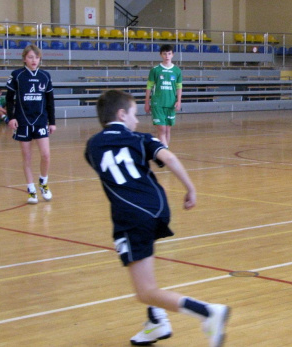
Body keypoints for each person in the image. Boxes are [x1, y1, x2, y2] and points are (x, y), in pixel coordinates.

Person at [84, 90, 230, 347]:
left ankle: (208, 312)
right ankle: (156, 322)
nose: (137, 120)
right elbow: (169, 157)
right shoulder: (141, 139)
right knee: (144, 270)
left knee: (145, 291)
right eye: (134, 114)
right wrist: (190, 188)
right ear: (121, 114)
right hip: (157, 208)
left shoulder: (92, 146)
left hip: (131, 217)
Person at [5, 44, 55, 204]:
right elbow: (9, 99)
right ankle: (31, 189)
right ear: (24, 59)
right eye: (30, 57)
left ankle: (43, 182)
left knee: (46, 155)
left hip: (40, 120)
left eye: (37, 57)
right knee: (26, 156)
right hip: (23, 121)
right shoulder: (17, 75)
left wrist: (52, 122)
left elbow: (50, 101)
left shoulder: (45, 76)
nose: (34, 60)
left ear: (40, 59)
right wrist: (11, 117)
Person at [145, 44, 183, 147]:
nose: (167, 56)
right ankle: (164, 152)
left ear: (172, 55)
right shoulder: (155, 70)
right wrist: (147, 102)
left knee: (167, 129)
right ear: (161, 55)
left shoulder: (177, 71)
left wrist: (178, 101)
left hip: (170, 103)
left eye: (169, 53)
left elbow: (179, 87)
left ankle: (163, 151)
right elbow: (149, 87)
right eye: (164, 54)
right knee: (161, 129)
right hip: (158, 103)